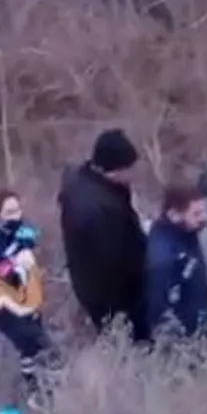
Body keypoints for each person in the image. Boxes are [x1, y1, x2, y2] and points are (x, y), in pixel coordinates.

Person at [58, 128, 149, 342]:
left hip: (91, 285)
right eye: (130, 168)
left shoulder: (87, 181)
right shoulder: (99, 210)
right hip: (111, 298)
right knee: (131, 342)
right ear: (115, 169)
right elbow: (116, 264)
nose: (134, 174)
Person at [0, 189, 50, 409]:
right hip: (4, 304)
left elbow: (31, 234)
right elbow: (2, 268)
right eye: (9, 212)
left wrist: (28, 240)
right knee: (36, 343)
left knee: (30, 350)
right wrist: (20, 250)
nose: (16, 215)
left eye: (18, 210)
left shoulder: (17, 226)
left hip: (28, 299)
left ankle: (34, 392)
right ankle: (30, 392)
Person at [145, 183, 207, 341]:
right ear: (174, 214)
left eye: (203, 211)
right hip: (184, 336)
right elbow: (161, 307)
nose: (204, 218)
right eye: (196, 214)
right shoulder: (163, 256)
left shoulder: (185, 233)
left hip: (199, 324)